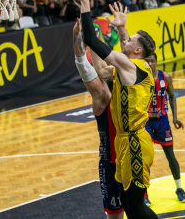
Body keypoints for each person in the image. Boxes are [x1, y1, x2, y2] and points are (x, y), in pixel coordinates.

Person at [70, 0, 157, 219]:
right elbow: (110, 64)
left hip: (135, 143)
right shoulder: (133, 67)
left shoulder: (130, 67)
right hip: (126, 142)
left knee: (137, 207)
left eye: (129, 41)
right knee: (129, 206)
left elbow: (91, 39)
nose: (125, 42)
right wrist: (120, 28)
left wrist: (85, 3)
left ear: (137, 50)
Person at [72, 18, 124, 219]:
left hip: (130, 157)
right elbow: (85, 66)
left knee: (136, 210)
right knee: (115, 216)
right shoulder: (103, 95)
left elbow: (105, 67)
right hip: (111, 163)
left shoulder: (129, 86)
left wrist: (118, 30)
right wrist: (78, 37)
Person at [143, 53, 185, 206]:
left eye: (152, 61)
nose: (150, 63)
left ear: (156, 62)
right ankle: (143, 194)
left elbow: (172, 96)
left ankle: (179, 189)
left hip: (162, 121)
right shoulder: (139, 78)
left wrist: (175, 117)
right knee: (144, 158)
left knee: (171, 156)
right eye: (147, 61)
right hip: (146, 121)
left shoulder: (166, 77)